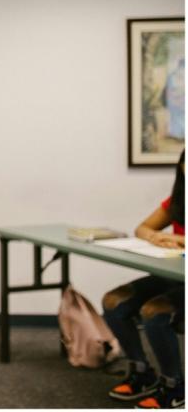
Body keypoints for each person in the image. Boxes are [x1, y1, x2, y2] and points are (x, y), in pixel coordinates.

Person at [103, 150, 185, 409]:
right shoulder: (176, 201)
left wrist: (180, 239)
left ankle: (175, 386)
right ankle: (141, 372)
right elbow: (142, 228)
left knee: (153, 311)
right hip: (174, 276)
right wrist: (156, 237)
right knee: (114, 302)